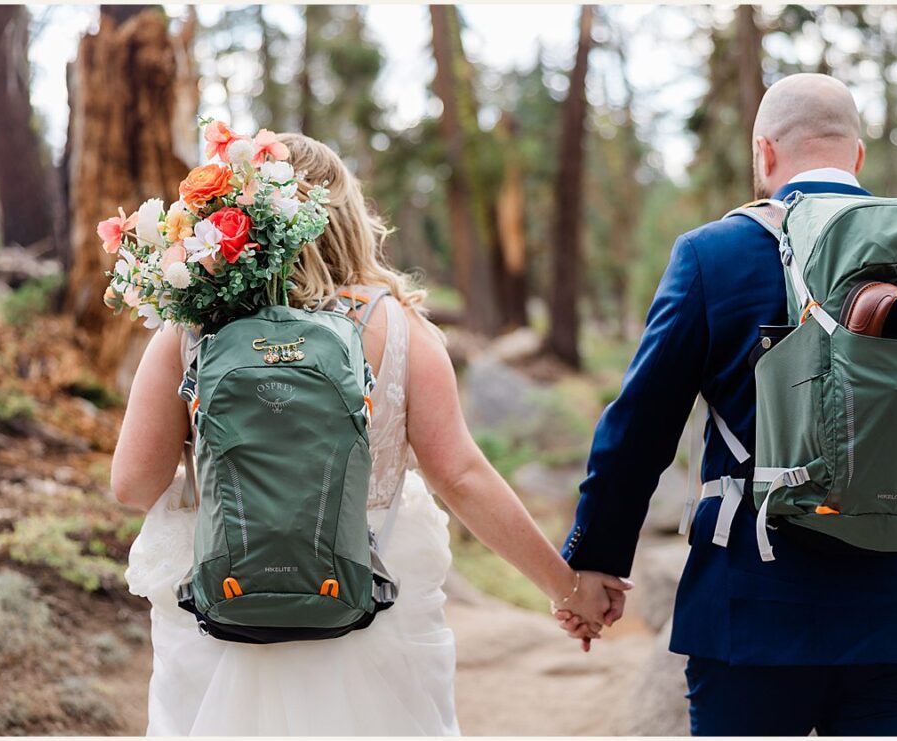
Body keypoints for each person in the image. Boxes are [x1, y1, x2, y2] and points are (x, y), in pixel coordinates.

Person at [551, 73, 897, 736]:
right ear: (857, 157)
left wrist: (596, 562)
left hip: (755, 608)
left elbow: (639, 427)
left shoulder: (712, 256)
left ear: (764, 152)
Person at [112, 133, 626, 735]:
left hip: (227, 603)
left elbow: (132, 485)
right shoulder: (401, 329)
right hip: (368, 605)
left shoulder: (194, 329)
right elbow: (461, 478)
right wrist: (567, 588)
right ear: (348, 217)